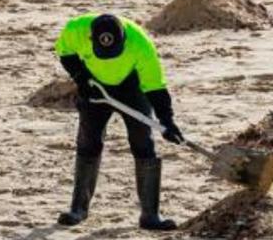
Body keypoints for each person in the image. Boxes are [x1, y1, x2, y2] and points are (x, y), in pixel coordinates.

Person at [55, 13, 182, 231]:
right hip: (94, 88)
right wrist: (81, 79)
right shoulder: (75, 30)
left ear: (124, 40)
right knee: (88, 143)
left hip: (132, 88)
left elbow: (155, 87)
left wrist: (167, 121)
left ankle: (150, 216)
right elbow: (65, 53)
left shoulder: (141, 45)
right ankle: (78, 209)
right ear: (90, 38)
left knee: (143, 144)